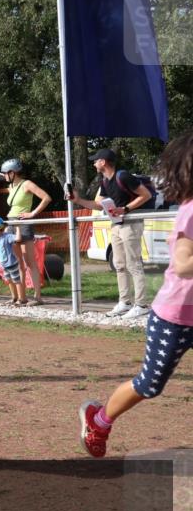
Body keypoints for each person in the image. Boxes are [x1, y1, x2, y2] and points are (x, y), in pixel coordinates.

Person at [78, 131, 193, 457]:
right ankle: (99, 420)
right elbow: (183, 265)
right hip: (174, 319)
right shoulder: (191, 211)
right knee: (149, 385)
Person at [69, 148, 153, 319]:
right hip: (116, 225)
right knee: (119, 264)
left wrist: (126, 209)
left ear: (103, 162)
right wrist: (78, 200)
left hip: (131, 224)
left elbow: (146, 194)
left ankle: (141, 305)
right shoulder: (105, 181)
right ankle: (125, 302)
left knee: (133, 264)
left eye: (95, 160)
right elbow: (98, 205)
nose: (94, 163)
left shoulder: (123, 176)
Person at [1, 158, 51, 306]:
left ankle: (38, 297)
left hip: (23, 223)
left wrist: (32, 213)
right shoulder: (12, 186)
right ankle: (21, 297)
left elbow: (46, 198)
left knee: (30, 262)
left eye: (5, 173)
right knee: (17, 263)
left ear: (12, 173)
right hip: (11, 223)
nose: (3, 176)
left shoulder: (27, 184)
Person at [0, 216, 27, 306]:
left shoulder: (7, 236)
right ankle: (14, 297)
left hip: (12, 264)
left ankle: (21, 299)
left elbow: (18, 239)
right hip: (4, 265)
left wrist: (17, 227)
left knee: (16, 281)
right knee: (9, 280)